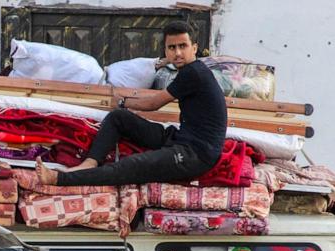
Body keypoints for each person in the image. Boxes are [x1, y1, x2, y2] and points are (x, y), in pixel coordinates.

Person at [35, 21, 226, 188]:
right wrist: (122, 107)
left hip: (196, 154)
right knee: (119, 118)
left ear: (194, 48)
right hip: (179, 137)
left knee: (132, 165)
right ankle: (91, 162)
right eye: (171, 47)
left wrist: (121, 101)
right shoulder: (188, 71)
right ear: (165, 51)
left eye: (183, 46)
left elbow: (153, 103)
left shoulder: (194, 73)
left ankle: (58, 178)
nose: (177, 53)